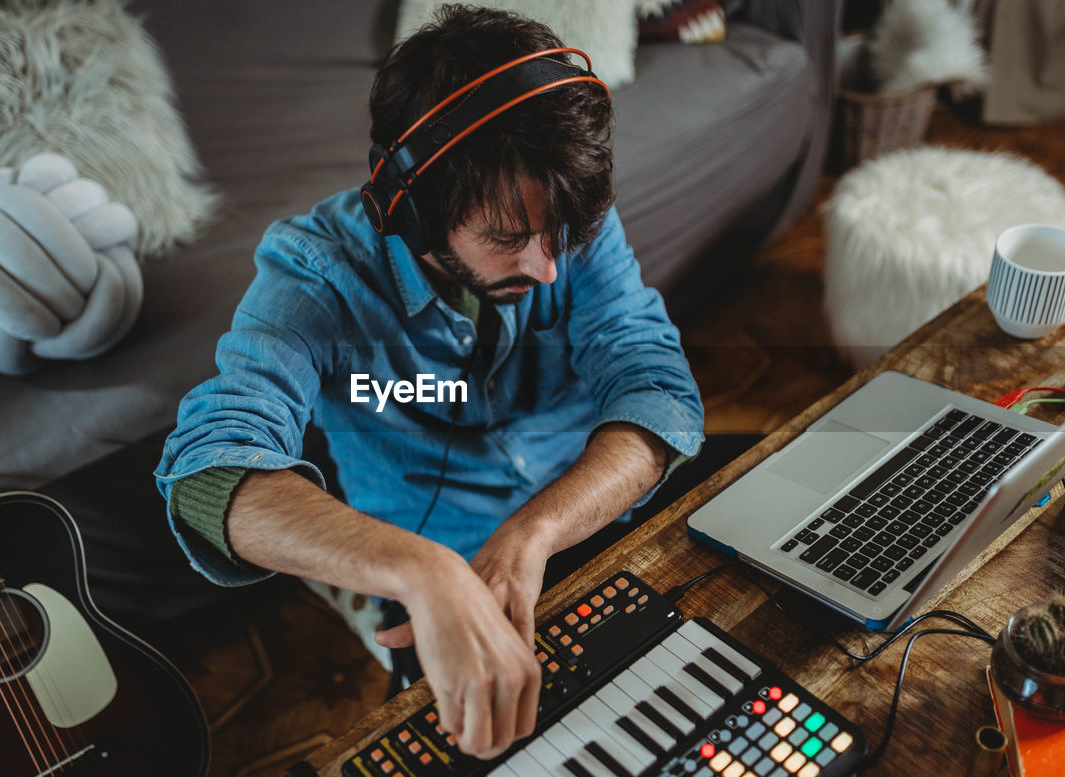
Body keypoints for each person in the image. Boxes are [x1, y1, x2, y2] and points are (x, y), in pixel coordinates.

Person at [155, 5, 703, 761]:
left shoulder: (562, 210)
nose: (547, 267)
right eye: (508, 240)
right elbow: (208, 471)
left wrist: (533, 532)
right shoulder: (314, 275)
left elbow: (658, 389)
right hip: (441, 589)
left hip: (588, 514)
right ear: (410, 209)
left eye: (558, 239)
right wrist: (425, 569)